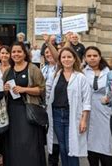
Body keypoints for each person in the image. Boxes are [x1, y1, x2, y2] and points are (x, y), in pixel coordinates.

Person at [3, 42, 46, 166]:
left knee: (29, 144)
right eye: (14, 52)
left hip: (27, 111)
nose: (16, 54)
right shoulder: (8, 71)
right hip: (11, 111)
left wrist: (24, 89)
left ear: (24, 53)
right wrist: (5, 88)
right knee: (13, 144)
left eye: (19, 51)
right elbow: (4, 92)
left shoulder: (32, 69)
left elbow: (41, 90)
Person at [46, 47, 91, 166]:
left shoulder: (80, 77)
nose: (66, 59)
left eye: (69, 57)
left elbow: (86, 100)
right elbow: (47, 92)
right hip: (56, 115)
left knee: (72, 148)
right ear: (60, 60)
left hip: (72, 115)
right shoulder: (55, 75)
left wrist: (84, 120)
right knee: (62, 147)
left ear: (74, 59)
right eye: (63, 57)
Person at [83, 46, 112, 166]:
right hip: (88, 111)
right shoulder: (82, 73)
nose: (92, 58)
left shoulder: (110, 72)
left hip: (105, 111)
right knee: (90, 142)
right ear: (85, 58)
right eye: (89, 56)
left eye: (95, 56)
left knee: (105, 143)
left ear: (100, 57)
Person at [40, 37, 60, 166]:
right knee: (46, 133)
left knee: (55, 136)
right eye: (46, 53)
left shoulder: (60, 66)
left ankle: (54, 160)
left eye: (50, 52)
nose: (49, 54)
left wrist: (48, 43)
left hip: (56, 104)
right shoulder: (43, 68)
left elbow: (57, 57)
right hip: (43, 105)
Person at [0, 45, 10, 165]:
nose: (4, 55)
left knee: (10, 129)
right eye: (2, 53)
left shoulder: (13, 67)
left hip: (11, 101)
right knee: (1, 128)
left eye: (6, 53)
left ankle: (9, 153)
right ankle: (1, 153)